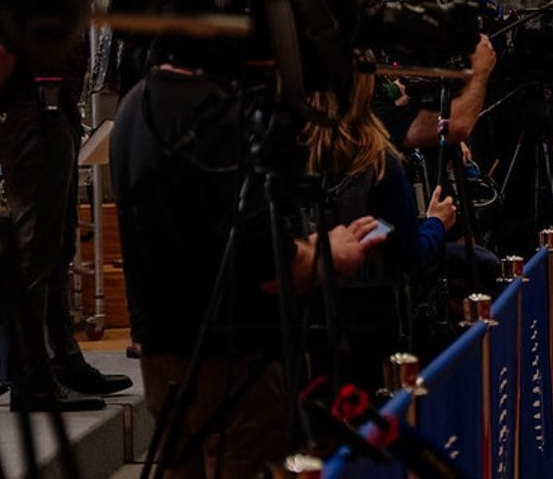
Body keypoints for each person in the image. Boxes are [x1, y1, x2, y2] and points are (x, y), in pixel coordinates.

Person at [112, 57, 384, 478]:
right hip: (233, 367)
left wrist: (307, 247)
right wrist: (329, 254)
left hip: (164, 358)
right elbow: (271, 269)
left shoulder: (136, 103)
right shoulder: (217, 116)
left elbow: (214, 236)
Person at [0, 40, 133, 412]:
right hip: (31, 113)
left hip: (52, 110)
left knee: (58, 244)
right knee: (35, 250)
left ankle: (62, 360)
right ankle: (32, 378)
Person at [303, 51, 458, 392]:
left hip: (310, 314)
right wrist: (436, 223)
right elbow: (408, 254)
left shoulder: (297, 151)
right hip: (372, 318)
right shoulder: (378, 161)